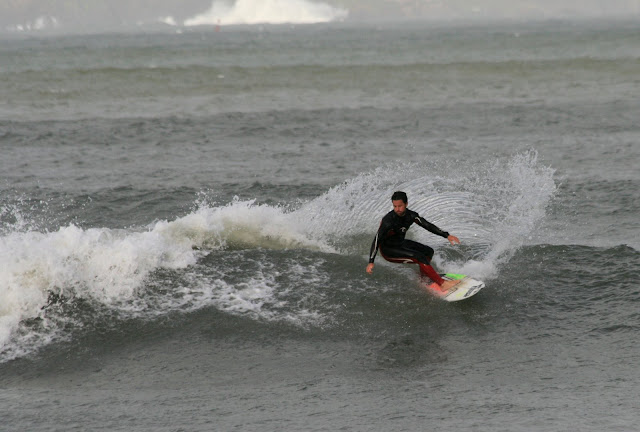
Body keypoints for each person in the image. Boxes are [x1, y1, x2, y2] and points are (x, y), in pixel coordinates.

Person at [366, 191, 461, 291]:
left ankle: (424, 277)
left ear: (406, 204)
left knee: (429, 251)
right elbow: (377, 239)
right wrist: (371, 261)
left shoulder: (411, 215)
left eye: (400, 206)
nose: (397, 209)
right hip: (388, 250)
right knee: (419, 257)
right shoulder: (388, 220)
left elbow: (427, 225)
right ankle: (443, 284)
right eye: (395, 206)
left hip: (400, 243)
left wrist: (446, 235)